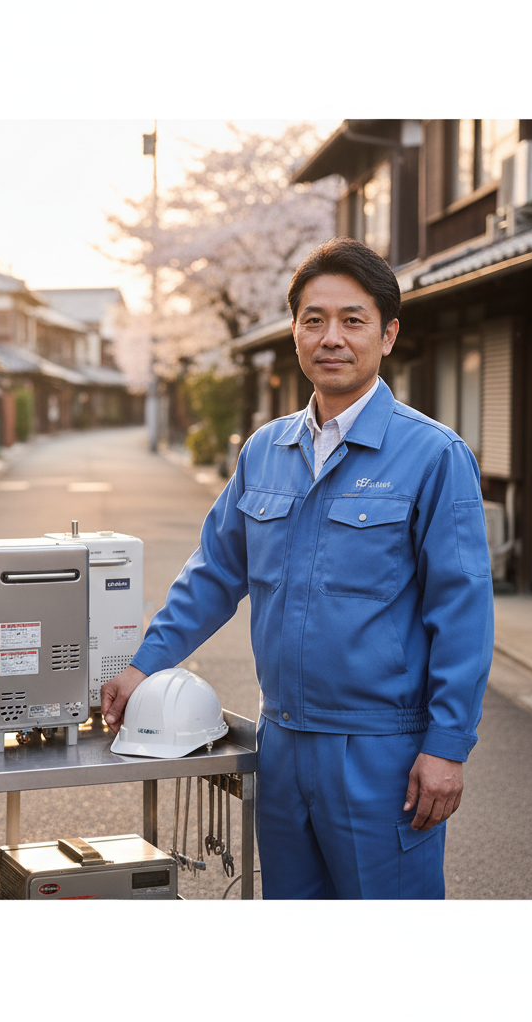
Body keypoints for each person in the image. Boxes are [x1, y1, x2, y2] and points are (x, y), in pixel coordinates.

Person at [102, 237, 494, 899]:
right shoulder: (267, 450)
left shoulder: (432, 456)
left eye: (352, 320)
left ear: (388, 334)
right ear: (294, 332)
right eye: (314, 320)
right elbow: (215, 574)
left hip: (383, 753)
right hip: (282, 743)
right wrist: (145, 663)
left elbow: (462, 613)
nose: (331, 337)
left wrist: (448, 745)